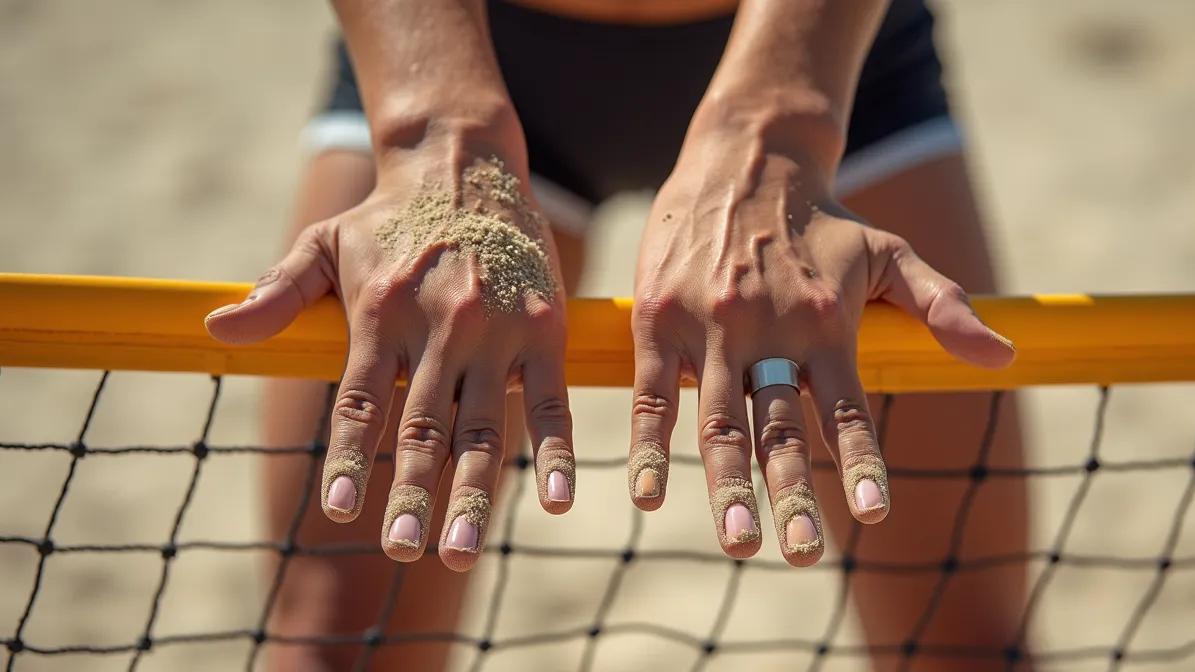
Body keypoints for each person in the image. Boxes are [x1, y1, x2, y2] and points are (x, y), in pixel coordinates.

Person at [205, 0, 1031, 669]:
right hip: (460, 46)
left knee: (962, 650)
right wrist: (432, 131)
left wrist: (779, 129)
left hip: (821, 54)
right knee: (334, 644)